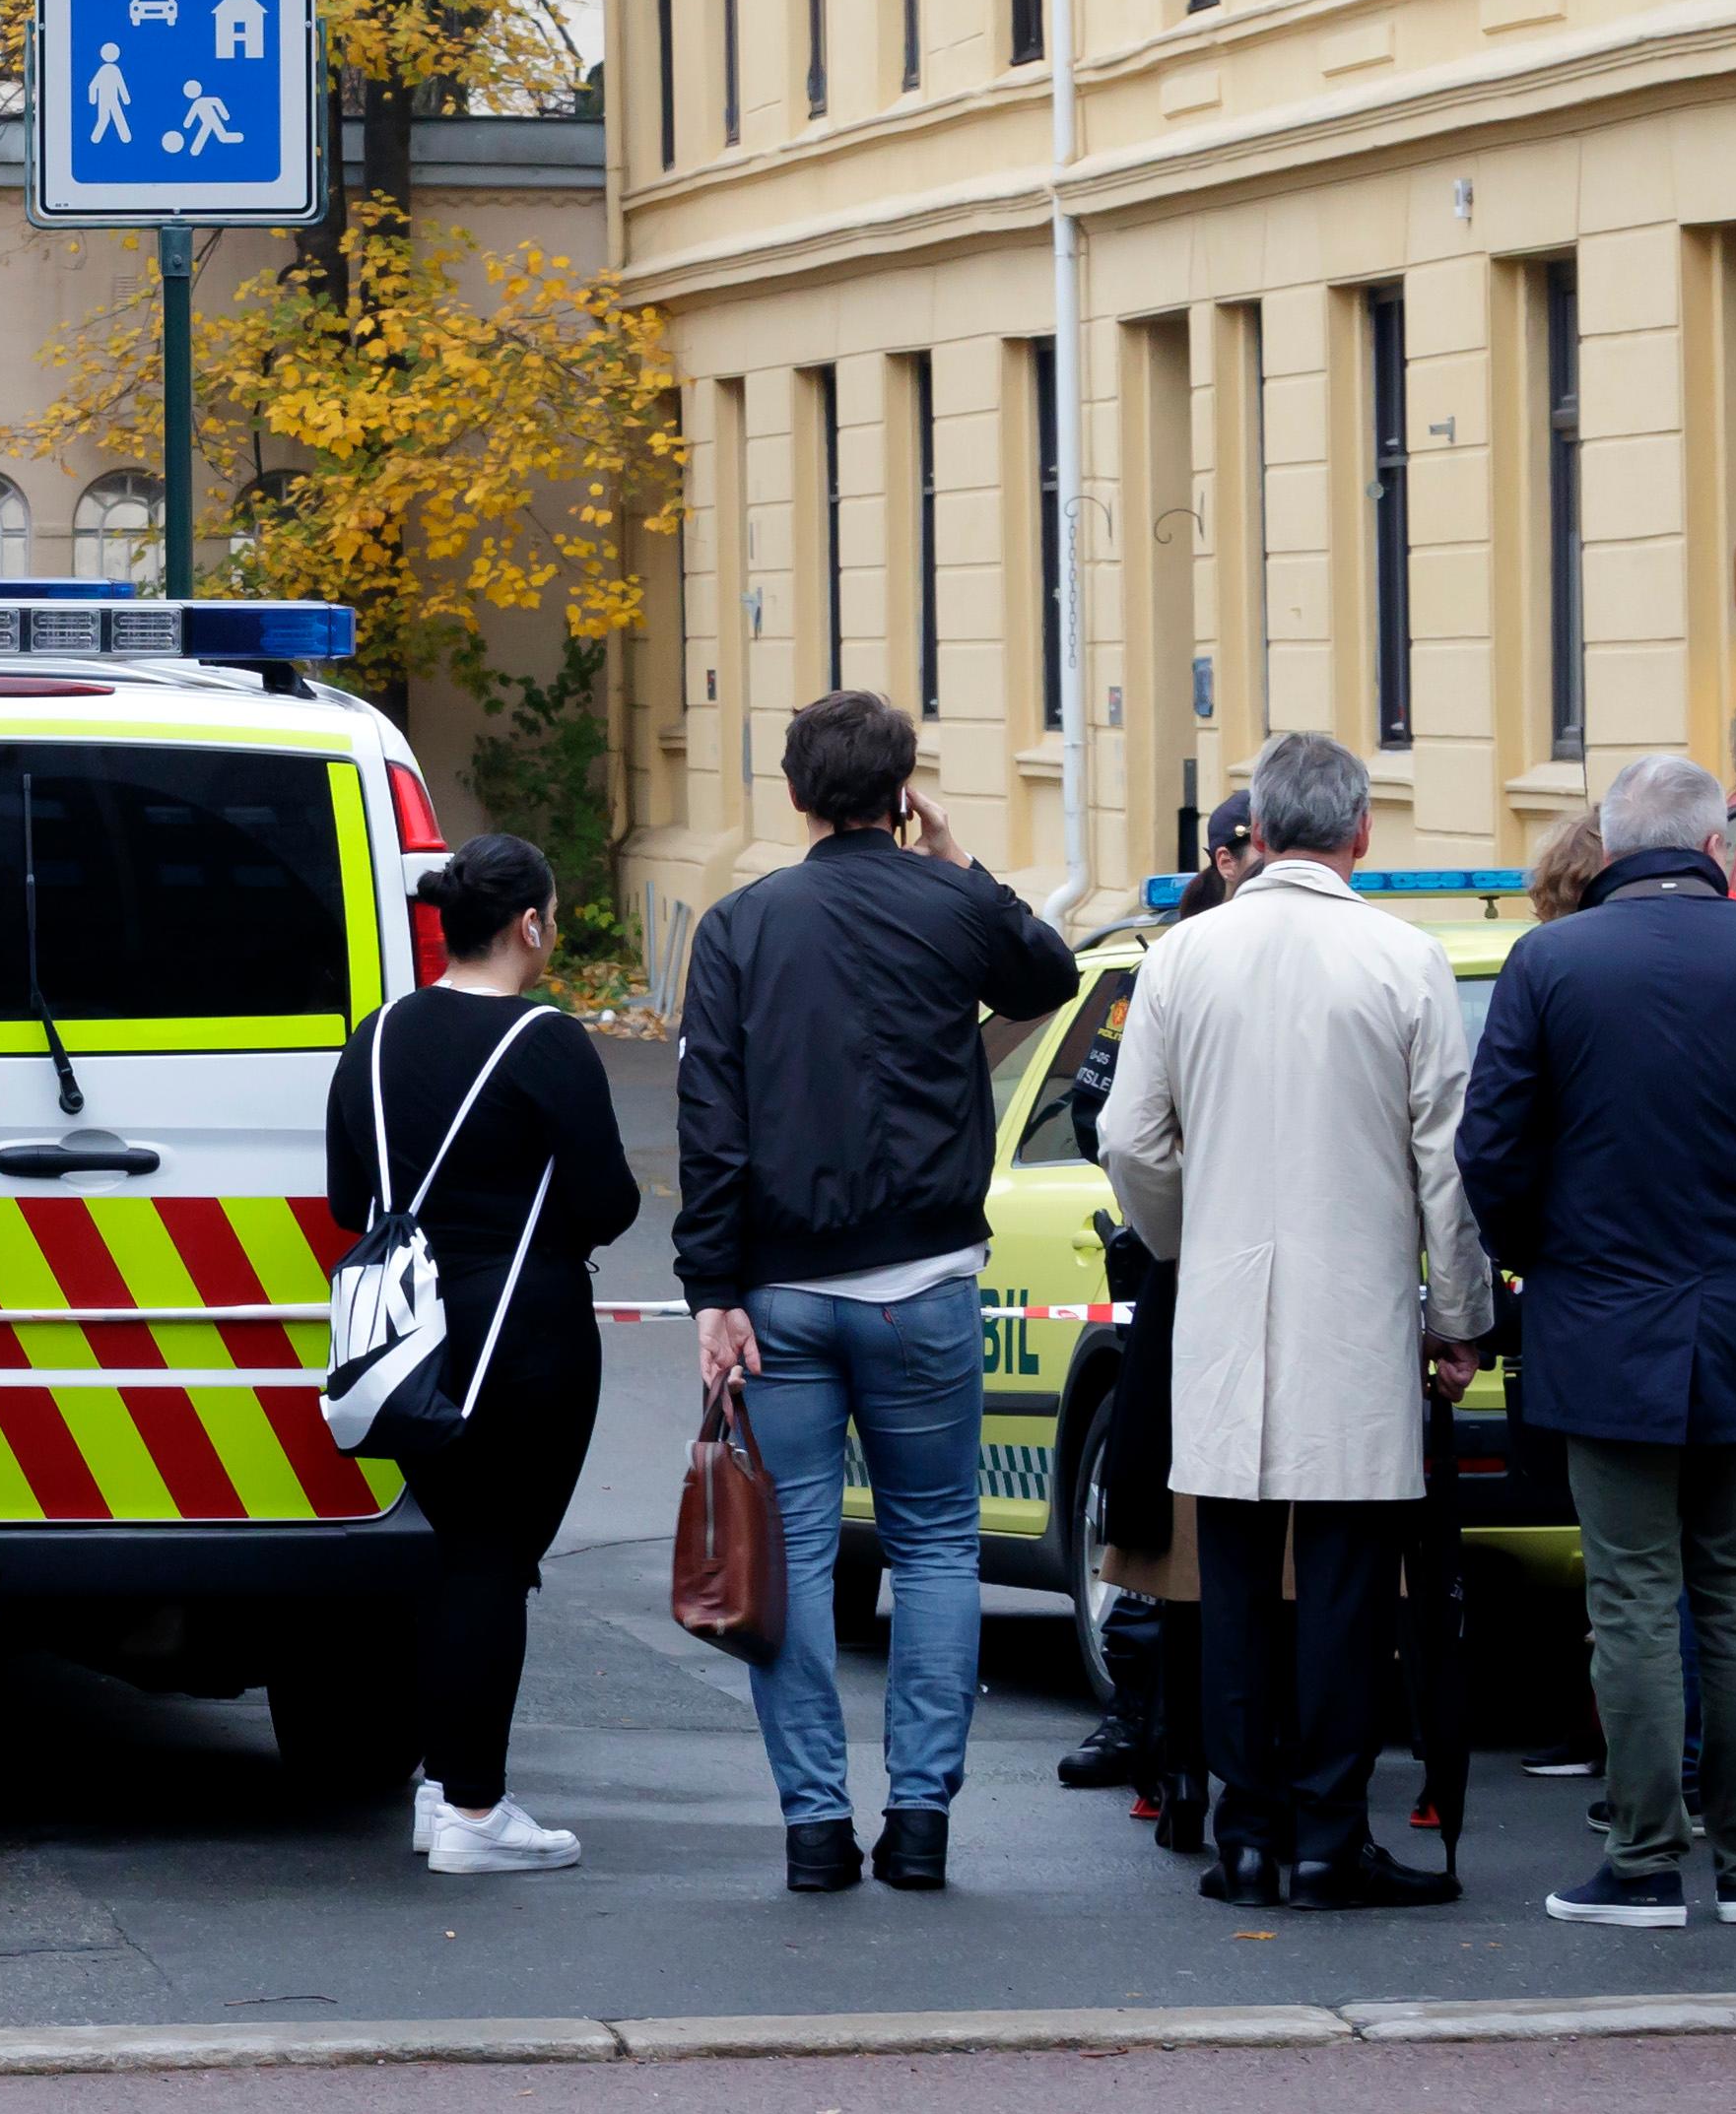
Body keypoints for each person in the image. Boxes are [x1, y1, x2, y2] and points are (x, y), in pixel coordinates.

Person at [675, 687, 1083, 1894]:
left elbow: (711, 1122)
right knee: (938, 1546)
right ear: (903, 791)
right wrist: (955, 855)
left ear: (798, 795)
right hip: (926, 1286)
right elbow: (1046, 977)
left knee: (790, 1557)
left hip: (783, 1292)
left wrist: (713, 1286)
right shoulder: (950, 904)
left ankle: (812, 1827)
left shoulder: (743, 925)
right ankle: (919, 1823)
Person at [1104, 727, 1495, 1911]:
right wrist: (1461, 1317)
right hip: (1352, 1315)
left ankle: (1247, 1834)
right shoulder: (1405, 959)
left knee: (1225, 1582)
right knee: (1342, 1589)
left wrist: (1187, 1238)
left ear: (1257, 833)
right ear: (1363, 834)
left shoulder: (1182, 959)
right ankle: (1330, 1834)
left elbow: (1129, 1140)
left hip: (1225, 1309)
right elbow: (1446, 1162)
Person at [1458, 752, 1736, 1928]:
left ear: (1610, 848)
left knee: (1631, 1596)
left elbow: (1492, 1150)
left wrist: (1539, 1260)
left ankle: (1648, 1859)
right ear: (1717, 845)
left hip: (1604, 1324)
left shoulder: (1553, 961)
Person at [326, 834, 640, 1876]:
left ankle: (440, 1788)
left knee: (461, 1550)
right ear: (531, 926)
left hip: (404, 1346)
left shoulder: (376, 1036)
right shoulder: (546, 1042)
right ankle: (473, 1811)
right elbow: (608, 1201)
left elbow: (346, 1200)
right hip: (522, 1338)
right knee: (491, 1563)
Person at [1053, 783, 1251, 1839]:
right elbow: (1104, 1117)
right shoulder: (1154, 974)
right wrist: (1178, 1226)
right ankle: (1149, 1723)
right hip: (1174, 1273)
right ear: (1221, 858)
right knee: (1159, 1520)